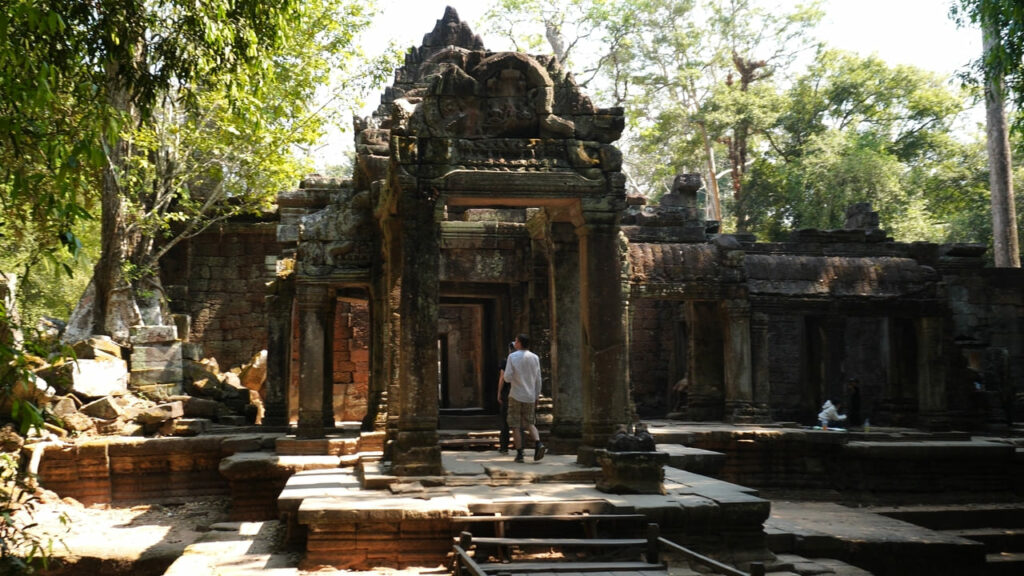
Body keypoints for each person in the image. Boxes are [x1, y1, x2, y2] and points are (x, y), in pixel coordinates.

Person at [502, 333, 546, 462]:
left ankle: (520, 453)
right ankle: (538, 443)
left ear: (520, 343)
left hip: (516, 394)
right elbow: (538, 379)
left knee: (515, 424)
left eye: (516, 341)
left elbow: (507, 377)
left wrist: (513, 377)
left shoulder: (512, 357)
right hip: (530, 395)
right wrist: (537, 395)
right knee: (530, 422)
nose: (514, 343)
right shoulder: (535, 357)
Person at [496, 341, 515, 454]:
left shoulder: (506, 361)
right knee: (519, 423)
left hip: (507, 393)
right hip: (520, 392)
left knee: (505, 421)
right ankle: (520, 448)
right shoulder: (524, 360)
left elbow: (502, 378)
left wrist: (499, 392)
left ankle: (504, 447)